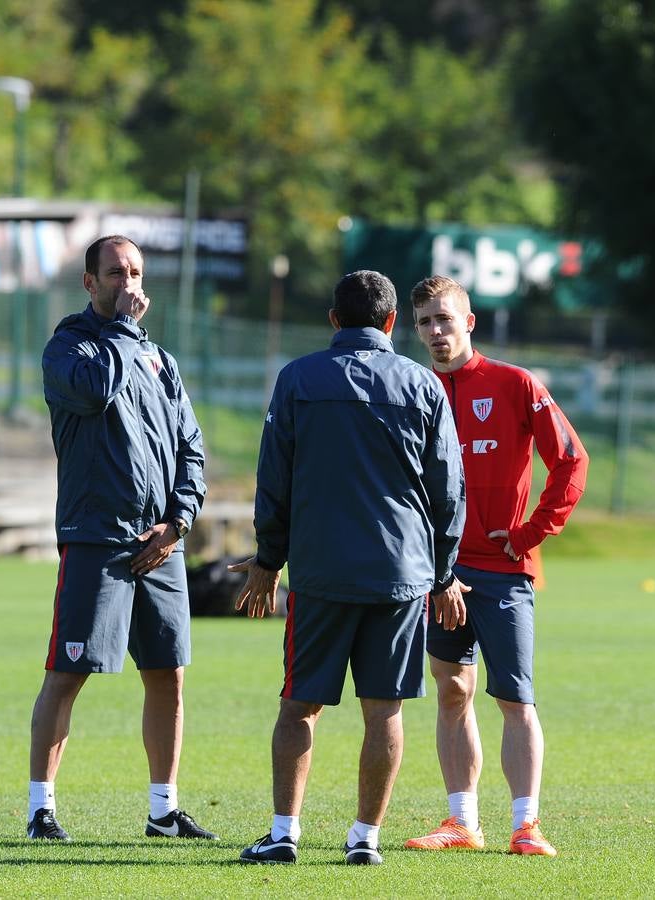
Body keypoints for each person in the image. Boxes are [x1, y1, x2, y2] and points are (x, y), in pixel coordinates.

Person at [231, 270, 466, 866]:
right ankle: (365, 839)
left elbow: (274, 478)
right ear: (392, 323)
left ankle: (284, 832)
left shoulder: (297, 379)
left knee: (299, 704)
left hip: (321, 575)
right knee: (384, 709)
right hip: (402, 576)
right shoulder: (423, 385)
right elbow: (449, 491)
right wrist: (443, 573)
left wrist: (267, 559)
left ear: (334, 320)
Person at [26, 235, 217, 842]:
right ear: (90, 282)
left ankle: (163, 810)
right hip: (97, 539)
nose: (128, 283)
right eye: (115, 273)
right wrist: (125, 333)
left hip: (161, 544)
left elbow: (191, 448)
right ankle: (41, 809)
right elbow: (94, 391)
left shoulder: (162, 362)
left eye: (135, 272)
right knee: (69, 670)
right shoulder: (69, 347)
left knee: (168, 673)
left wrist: (179, 522)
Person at [403, 275, 589, 858]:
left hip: (505, 573)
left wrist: (533, 532)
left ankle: (526, 825)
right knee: (453, 689)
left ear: (468, 322)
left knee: (515, 699)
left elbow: (571, 461)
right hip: (442, 573)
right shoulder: (413, 390)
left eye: (445, 320)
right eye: (426, 323)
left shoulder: (514, 384)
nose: (436, 332)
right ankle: (462, 821)